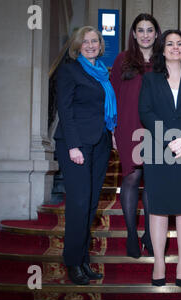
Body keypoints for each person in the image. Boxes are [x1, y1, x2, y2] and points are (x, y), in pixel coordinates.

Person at [138, 30, 181, 287]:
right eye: (170, 44)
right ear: (162, 49)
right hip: (158, 148)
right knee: (158, 209)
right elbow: (145, 112)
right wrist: (170, 138)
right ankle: (158, 262)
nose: (175, 47)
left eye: (180, 43)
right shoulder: (151, 80)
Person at [54, 26, 117, 285]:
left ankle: (83, 260)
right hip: (77, 145)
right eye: (85, 41)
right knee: (78, 205)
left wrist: (111, 133)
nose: (90, 45)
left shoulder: (103, 73)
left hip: (100, 142)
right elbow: (65, 110)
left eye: (95, 41)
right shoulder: (70, 71)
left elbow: (104, 110)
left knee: (91, 205)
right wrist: (73, 146)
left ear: (100, 45)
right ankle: (73, 263)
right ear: (78, 46)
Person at [110, 13, 161, 259]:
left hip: (156, 128)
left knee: (152, 180)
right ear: (133, 34)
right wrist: (112, 129)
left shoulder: (163, 60)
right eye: (140, 30)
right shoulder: (122, 60)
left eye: (149, 30)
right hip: (129, 126)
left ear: (156, 34)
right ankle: (132, 233)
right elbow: (113, 97)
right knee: (132, 177)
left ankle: (150, 234)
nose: (145, 34)